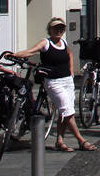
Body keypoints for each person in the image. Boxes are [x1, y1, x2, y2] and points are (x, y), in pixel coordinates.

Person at [16, 17, 95, 152]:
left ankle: (60, 140)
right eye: (55, 28)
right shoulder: (46, 43)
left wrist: (71, 71)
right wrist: (15, 54)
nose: (58, 31)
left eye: (61, 28)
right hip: (53, 82)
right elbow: (32, 51)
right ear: (50, 30)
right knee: (67, 110)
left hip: (67, 81)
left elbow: (69, 54)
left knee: (65, 112)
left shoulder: (63, 42)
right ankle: (81, 140)